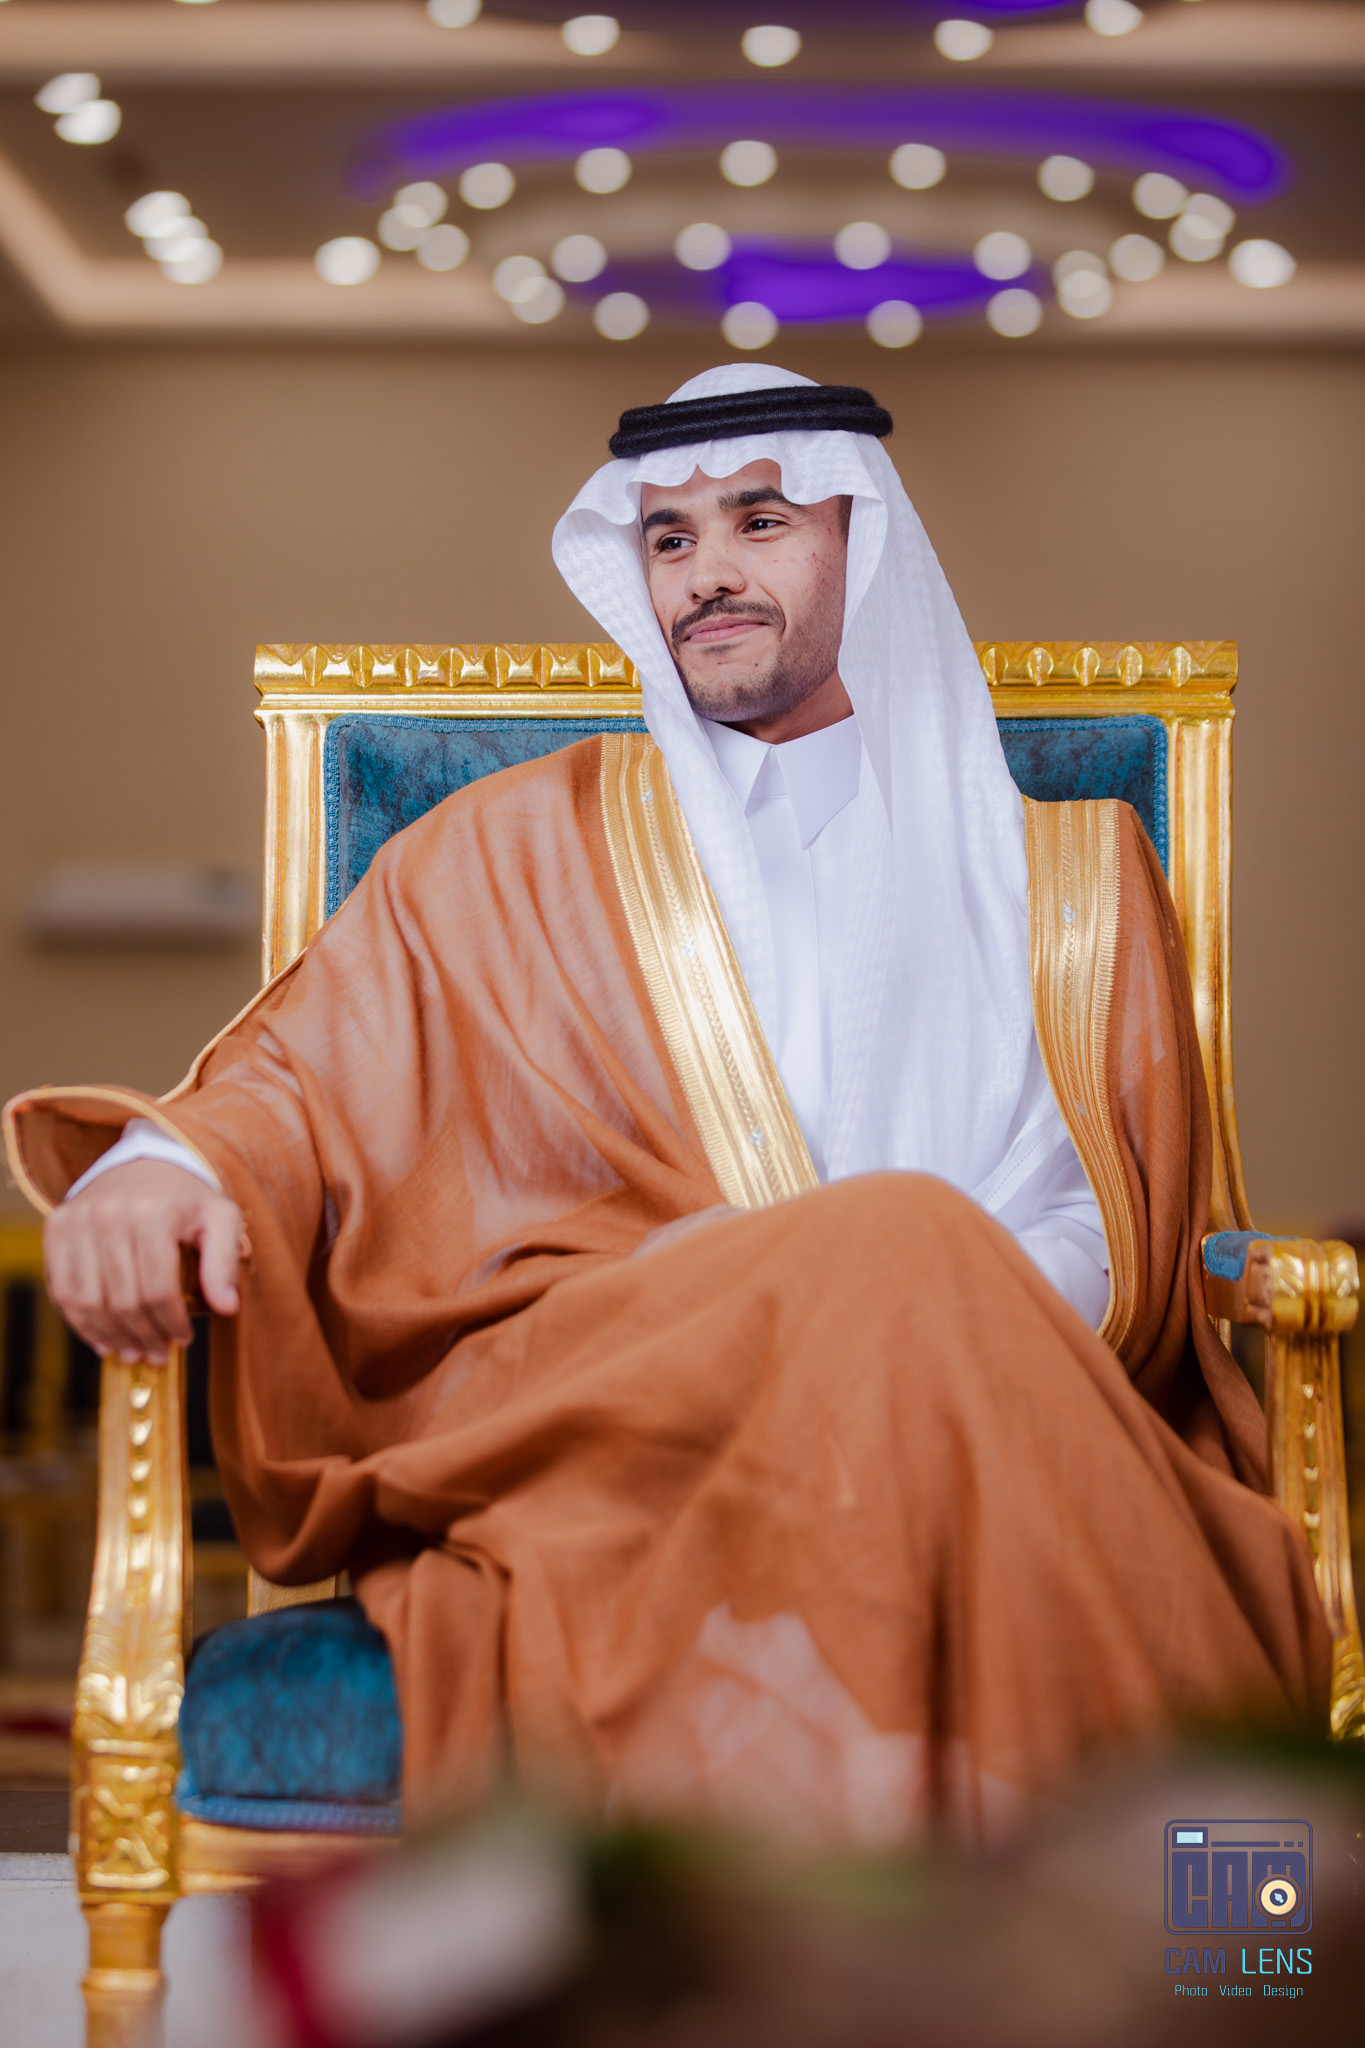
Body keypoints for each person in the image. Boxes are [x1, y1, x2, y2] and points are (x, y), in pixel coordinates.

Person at [5, 365, 1327, 1849]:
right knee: (899, 1242)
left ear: (862, 540)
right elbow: (304, 1073)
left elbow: (1122, 1222)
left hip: (998, 1388)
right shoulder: (511, 846)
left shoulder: (1075, 880)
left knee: (907, 1251)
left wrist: (904, 1335)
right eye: (669, 539)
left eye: (759, 521)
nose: (706, 574)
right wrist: (159, 1166)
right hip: (630, 1392)